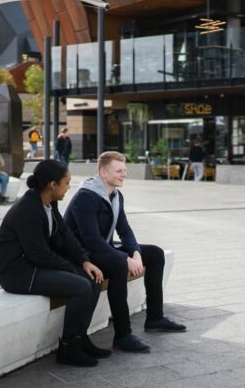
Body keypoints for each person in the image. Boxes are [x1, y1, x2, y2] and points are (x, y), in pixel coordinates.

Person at [64, 151, 186, 354]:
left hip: (103, 248)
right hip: (84, 255)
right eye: (119, 170)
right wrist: (124, 258)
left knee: (155, 254)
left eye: (125, 170)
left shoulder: (115, 195)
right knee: (119, 264)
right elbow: (90, 239)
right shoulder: (85, 197)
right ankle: (123, 335)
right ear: (103, 172)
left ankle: (155, 317)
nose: (124, 174)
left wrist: (135, 253)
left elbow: (125, 229)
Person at [0, 160, 109, 367]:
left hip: (33, 264)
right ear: (53, 185)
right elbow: (39, 255)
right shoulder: (28, 210)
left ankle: (80, 338)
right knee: (81, 286)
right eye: (66, 182)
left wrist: (84, 262)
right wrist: (73, 269)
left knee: (92, 279)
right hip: (16, 272)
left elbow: (66, 235)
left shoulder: (48, 203)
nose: (69, 187)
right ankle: (68, 348)